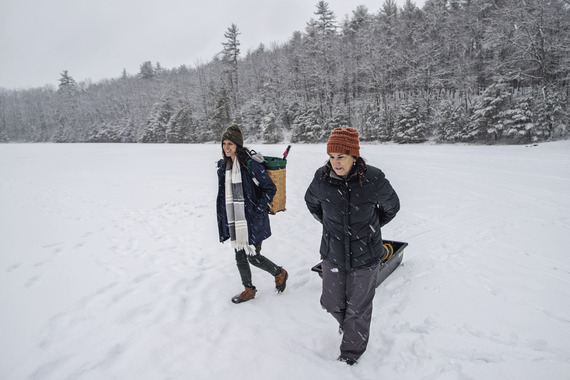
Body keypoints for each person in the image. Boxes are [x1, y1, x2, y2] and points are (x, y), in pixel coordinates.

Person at [304, 127, 400, 365]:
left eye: (341, 157)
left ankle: (351, 353)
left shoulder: (373, 179)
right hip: (333, 252)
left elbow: (392, 206)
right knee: (331, 301)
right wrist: (327, 223)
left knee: (358, 308)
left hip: (365, 255)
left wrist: (372, 227)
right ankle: (349, 326)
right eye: (331, 157)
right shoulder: (321, 178)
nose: (335, 163)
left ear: (354, 156)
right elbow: (312, 202)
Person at [216, 124, 288, 304]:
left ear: (238, 145)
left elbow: (270, 188)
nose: (227, 147)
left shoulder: (251, 165)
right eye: (224, 143)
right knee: (239, 254)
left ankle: (279, 273)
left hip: (254, 219)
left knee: (253, 256)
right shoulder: (223, 166)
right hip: (236, 219)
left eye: (230, 143)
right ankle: (248, 289)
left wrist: (259, 207)